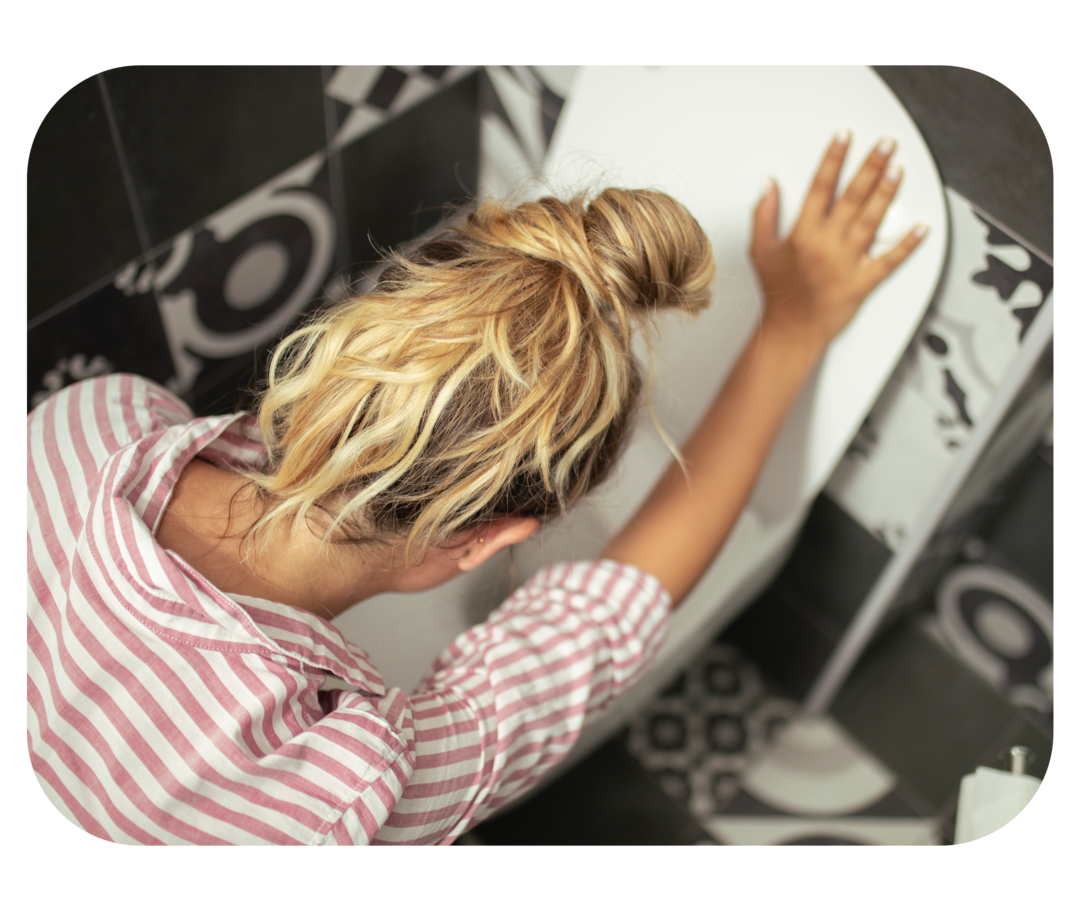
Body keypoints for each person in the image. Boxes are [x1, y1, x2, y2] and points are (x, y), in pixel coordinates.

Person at [26, 130, 925, 847]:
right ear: (488, 538)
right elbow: (603, 618)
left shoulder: (86, 423)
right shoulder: (343, 785)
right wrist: (794, 329)